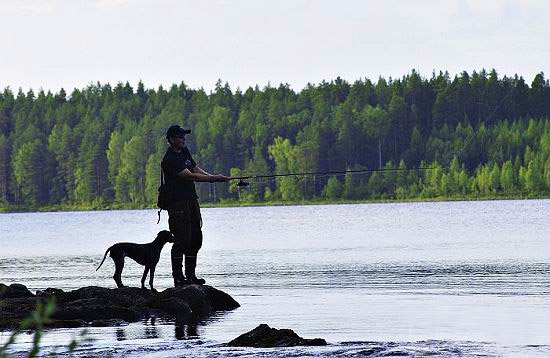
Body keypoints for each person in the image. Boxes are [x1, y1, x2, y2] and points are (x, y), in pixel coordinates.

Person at [161, 124, 230, 286]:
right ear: (171, 139)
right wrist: (214, 179)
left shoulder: (184, 151)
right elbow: (190, 176)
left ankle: (190, 276)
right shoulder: (170, 159)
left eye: (184, 136)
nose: (183, 139)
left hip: (191, 199)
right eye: (180, 136)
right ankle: (178, 278)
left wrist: (213, 176)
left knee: (195, 238)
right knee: (181, 239)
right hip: (177, 203)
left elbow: (194, 167)